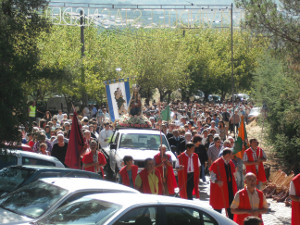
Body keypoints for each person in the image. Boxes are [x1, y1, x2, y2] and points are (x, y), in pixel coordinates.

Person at [209, 148, 237, 219]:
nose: (233, 156)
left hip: (230, 189)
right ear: (227, 155)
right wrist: (217, 181)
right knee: (218, 209)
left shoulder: (230, 163)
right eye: (231, 154)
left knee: (231, 208)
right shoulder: (216, 163)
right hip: (220, 189)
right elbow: (212, 177)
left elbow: (234, 175)